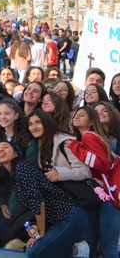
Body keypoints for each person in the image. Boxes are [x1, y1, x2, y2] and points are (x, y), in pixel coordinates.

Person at [0, 141, 90, 258]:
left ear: (15, 154)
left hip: (70, 217)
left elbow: (38, 203)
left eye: (5, 147)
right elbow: (31, 207)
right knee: (32, 250)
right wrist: (35, 226)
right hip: (56, 221)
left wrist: (41, 233)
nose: (1, 150)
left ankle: (77, 250)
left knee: (34, 252)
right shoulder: (14, 176)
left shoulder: (22, 167)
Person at [68, 106, 120, 258]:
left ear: (91, 122)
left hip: (110, 195)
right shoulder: (93, 136)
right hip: (110, 194)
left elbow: (103, 164)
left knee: (109, 248)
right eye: (76, 114)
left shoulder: (89, 136)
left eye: (82, 115)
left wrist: (76, 147)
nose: (76, 117)